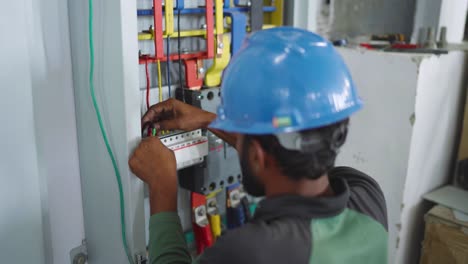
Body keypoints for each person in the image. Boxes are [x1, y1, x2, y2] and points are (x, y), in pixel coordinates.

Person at [129, 27, 388, 264]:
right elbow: (294, 150)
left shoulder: (254, 251)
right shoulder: (368, 197)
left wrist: (163, 187)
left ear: (257, 155)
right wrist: (210, 120)